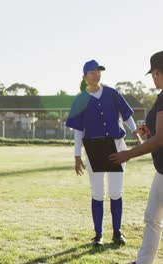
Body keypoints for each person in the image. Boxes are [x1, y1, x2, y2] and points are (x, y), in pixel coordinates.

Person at [66, 59, 140, 247]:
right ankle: (98, 235)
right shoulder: (80, 100)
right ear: (84, 76)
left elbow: (126, 115)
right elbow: (78, 130)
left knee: (116, 191)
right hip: (93, 148)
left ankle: (117, 232)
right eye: (92, 72)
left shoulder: (112, 93)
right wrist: (76, 156)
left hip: (116, 145)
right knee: (98, 192)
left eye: (98, 71)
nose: (96, 74)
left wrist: (135, 132)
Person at [110, 51, 163, 264]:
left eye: (154, 73)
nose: (153, 78)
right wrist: (147, 129)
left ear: (159, 72)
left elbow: (161, 139)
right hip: (161, 171)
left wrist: (128, 154)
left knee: (153, 218)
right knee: (152, 217)